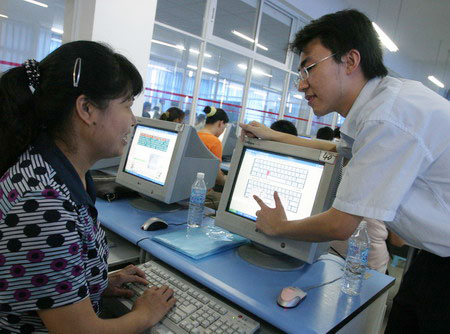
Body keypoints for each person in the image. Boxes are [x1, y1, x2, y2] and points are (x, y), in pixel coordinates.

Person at [240, 9, 449, 333]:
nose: (301, 84)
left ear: (350, 61)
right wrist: (277, 136)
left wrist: (278, 226)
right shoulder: (380, 105)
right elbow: (342, 152)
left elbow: (340, 224)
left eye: (309, 68)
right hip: (434, 255)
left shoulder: (389, 116)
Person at [0, 41, 176, 333]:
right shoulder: (44, 202)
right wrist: (146, 313)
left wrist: (98, 283)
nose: (133, 120)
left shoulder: (59, 170)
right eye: (128, 105)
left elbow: (49, 269)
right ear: (87, 109)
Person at [197, 106, 229, 186]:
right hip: (203, 190)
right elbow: (217, 177)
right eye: (224, 128)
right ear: (220, 123)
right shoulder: (215, 142)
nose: (222, 131)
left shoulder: (195, 135)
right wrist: (227, 180)